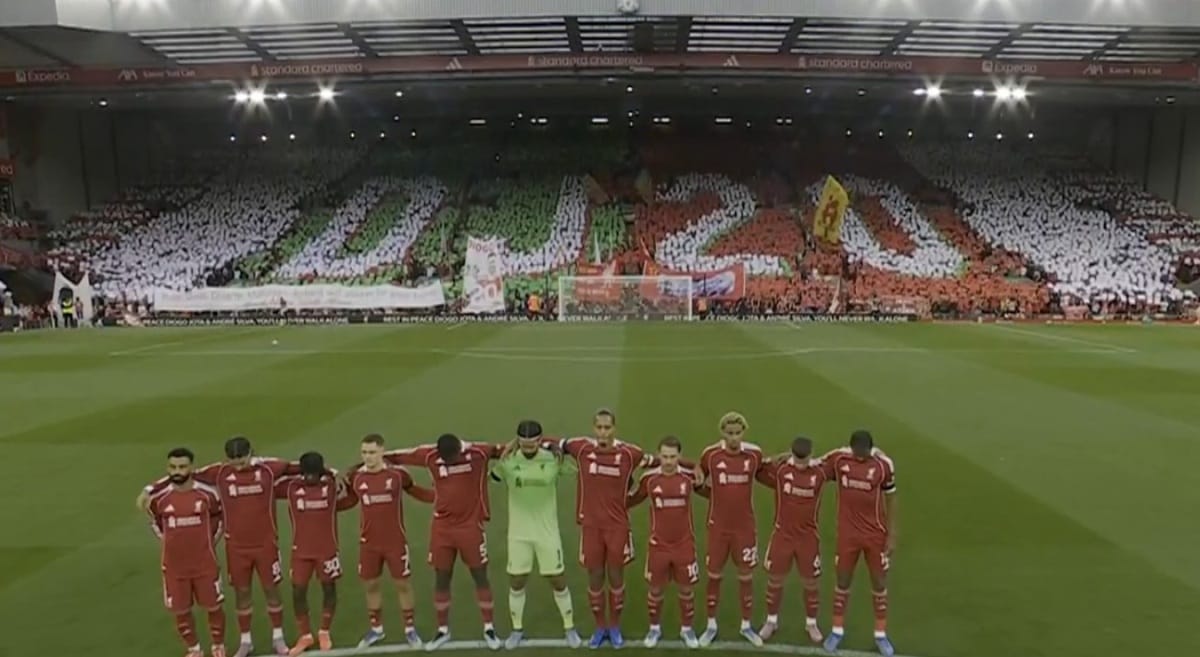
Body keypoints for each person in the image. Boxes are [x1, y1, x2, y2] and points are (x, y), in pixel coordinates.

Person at [138, 437, 296, 657]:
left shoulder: (268, 469)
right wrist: (149, 489)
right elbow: (184, 475)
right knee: (242, 593)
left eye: (241, 460)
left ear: (250, 454)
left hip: (266, 544)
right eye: (233, 461)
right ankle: (246, 641)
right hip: (236, 547)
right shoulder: (220, 472)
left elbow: (296, 467)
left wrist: (330, 473)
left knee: (271, 590)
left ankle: (278, 638)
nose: (237, 466)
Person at [383, 434, 505, 651]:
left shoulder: (478, 452)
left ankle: (489, 628)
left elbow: (505, 450)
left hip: (470, 528)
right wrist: (377, 460)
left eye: (453, 459)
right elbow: (398, 456)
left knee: (480, 576)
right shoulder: (430, 455)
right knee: (442, 578)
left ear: (460, 450)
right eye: (445, 460)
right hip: (442, 529)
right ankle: (442, 630)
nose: (449, 462)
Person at [557, 409, 653, 648]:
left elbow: (661, 460)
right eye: (599, 427)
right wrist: (517, 444)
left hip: (617, 528)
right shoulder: (581, 448)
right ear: (593, 428)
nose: (603, 432)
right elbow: (552, 443)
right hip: (591, 527)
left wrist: (691, 467)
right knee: (595, 577)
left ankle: (615, 626)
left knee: (616, 577)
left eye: (607, 427)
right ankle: (600, 627)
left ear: (614, 429)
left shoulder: (630, 453)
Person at [490, 420, 581, 649]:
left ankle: (569, 627)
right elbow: (492, 476)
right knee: (517, 581)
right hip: (518, 535)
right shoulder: (509, 461)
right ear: (518, 442)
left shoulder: (553, 460)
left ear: (540, 441)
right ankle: (517, 629)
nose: (528, 448)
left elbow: (578, 469)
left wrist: (555, 446)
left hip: (547, 534)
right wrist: (507, 449)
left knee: (558, 580)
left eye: (532, 444)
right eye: (523, 444)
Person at [342, 434, 435, 649]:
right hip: (368, 543)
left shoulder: (398, 475)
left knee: (402, 584)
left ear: (382, 452)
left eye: (372, 452)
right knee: (371, 585)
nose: (368, 457)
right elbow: (350, 500)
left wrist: (438, 496)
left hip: (395, 542)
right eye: (364, 452)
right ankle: (376, 629)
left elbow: (415, 491)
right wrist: (326, 506)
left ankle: (410, 629)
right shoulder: (356, 477)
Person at [819, 430, 898, 657]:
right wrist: (788, 457)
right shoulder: (839, 459)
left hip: (875, 535)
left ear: (870, 449)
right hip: (848, 534)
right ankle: (837, 630)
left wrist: (892, 534)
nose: (860, 457)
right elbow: (812, 465)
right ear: (851, 448)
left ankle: (880, 635)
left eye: (864, 453)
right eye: (857, 453)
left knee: (879, 582)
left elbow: (891, 498)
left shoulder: (883, 465)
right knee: (843, 580)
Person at [145, 447, 227, 657]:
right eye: (173, 467)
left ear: (191, 467)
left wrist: (209, 542)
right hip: (174, 566)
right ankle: (194, 649)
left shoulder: (208, 494)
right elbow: (155, 522)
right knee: (180, 610)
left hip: (205, 563)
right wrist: (168, 541)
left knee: (213, 606)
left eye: (182, 467)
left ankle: (218, 646)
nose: (177, 471)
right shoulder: (159, 498)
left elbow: (219, 519)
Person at [626, 436, 702, 649]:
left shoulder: (689, 478)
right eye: (665, 456)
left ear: (679, 456)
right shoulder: (649, 479)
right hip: (658, 546)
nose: (668, 461)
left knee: (686, 590)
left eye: (673, 457)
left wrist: (696, 467)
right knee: (655, 591)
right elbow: (632, 499)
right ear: (659, 455)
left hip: (684, 545)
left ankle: (686, 629)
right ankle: (654, 628)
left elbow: (708, 488)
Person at [276, 452, 355, 656]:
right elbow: (270, 479)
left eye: (314, 474)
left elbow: (352, 490)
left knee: (329, 589)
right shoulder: (291, 487)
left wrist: (333, 473)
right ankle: (305, 635)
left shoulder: (331, 486)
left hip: (327, 550)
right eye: (306, 474)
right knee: (298, 592)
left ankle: (324, 631)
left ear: (320, 472)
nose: (310, 478)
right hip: (301, 551)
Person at [697, 411, 764, 647]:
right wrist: (713, 495)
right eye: (729, 433)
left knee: (746, 577)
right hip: (718, 527)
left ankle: (746, 625)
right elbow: (698, 477)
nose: (734, 438)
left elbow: (767, 471)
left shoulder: (754, 455)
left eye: (737, 433)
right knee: (714, 577)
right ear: (722, 433)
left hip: (745, 528)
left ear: (744, 432)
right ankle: (711, 625)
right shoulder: (711, 455)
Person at [756, 436, 830, 643]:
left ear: (811, 455)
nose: (800, 465)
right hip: (783, 535)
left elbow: (839, 460)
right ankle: (771, 621)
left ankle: (811, 623)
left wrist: (875, 453)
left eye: (803, 460)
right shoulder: (781, 472)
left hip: (808, 538)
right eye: (797, 459)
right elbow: (758, 468)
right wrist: (780, 456)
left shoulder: (820, 473)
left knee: (810, 583)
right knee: (775, 581)